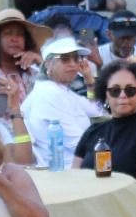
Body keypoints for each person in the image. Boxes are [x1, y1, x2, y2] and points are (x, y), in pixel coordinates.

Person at [75, 61, 136, 187]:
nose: (123, 95)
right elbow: (74, 179)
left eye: (130, 90)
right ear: (106, 95)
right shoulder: (92, 131)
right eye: (115, 90)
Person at [23, 36, 95, 170]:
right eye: (65, 59)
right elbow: (78, 144)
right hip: (66, 172)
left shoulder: (60, 90)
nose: (73, 64)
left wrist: (89, 81)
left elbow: (98, 110)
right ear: (48, 64)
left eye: (76, 59)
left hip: (76, 167)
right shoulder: (51, 94)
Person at [0, 8, 48, 94]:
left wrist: (41, 64)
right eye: (7, 33)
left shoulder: (34, 72)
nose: (14, 39)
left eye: (20, 34)